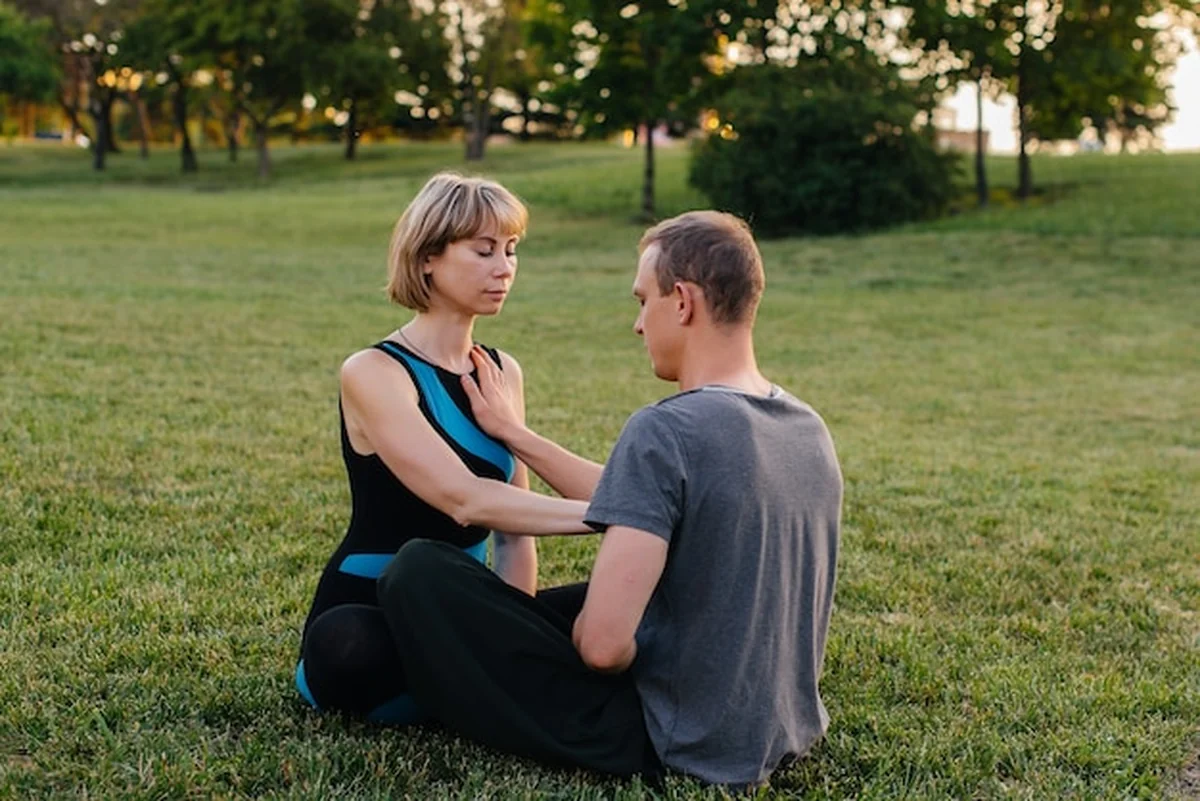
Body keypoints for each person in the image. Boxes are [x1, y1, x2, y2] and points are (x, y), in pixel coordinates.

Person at [376, 210, 844, 787]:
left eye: (642, 301)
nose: (638, 325)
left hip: (669, 734)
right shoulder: (805, 426)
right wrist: (515, 435)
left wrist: (602, 642)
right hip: (778, 725)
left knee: (420, 571)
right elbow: (648, 497)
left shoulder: (666, 431)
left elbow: (601, 650)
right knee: (539, 609)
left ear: (684, 302)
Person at [296, 172, 592, 724]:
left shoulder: (502, 372)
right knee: (346, 644)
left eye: (511, 250)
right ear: (428, 257)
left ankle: (477, 680)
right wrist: (617, 516)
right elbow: (465, 499)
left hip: (464, 613)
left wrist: (513, 629)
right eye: (483, 251)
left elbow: (513, 540)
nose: (504, 268)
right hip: (375, 608)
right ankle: (486, 684)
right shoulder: (374, 371)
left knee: (629, 605)